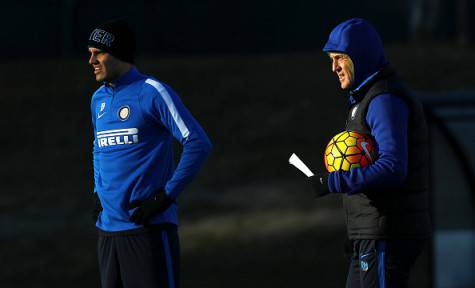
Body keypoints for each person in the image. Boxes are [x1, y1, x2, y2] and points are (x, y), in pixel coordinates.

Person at [88, 20, 212, 288]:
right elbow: (98, 147)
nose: (91, 60)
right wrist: (98, 190)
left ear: (118, 53)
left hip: (148, 232)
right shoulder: (97, 99)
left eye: (98, 53)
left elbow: (198, 143)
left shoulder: (152, 92)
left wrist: (166, 196)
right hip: (108, 234)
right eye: (90, 53)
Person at [309, 18, 431, 287]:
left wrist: (334, 181)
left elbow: (392, 166)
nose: (334, 67)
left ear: (359, 56)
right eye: (331, 59)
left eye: (339, 58)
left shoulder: (384, 100)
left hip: (387, 234)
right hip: (370, 234)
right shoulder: (364, 99)